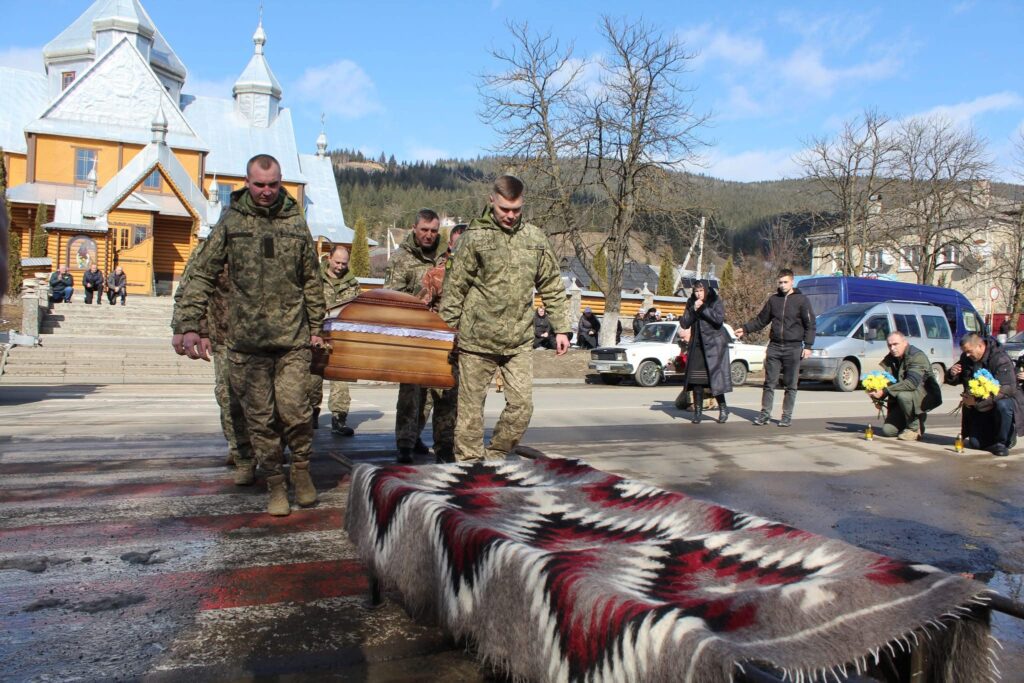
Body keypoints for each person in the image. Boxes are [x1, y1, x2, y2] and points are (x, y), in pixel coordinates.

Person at [173, 153, 325, 516]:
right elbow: (202, 274)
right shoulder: (232, 222)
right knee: (260, 420)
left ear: (281, 181)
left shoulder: (295, 222)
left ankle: (301, 470)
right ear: (246, 182)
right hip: (246, 343)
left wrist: (318, 327)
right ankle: (274, 483)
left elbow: (311, 280)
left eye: (273, 185)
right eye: (259, 185)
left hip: (292, 340)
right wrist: (189, 323)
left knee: (296, 412)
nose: (267, 192)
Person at [439, 175, 570, 462]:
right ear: (492, 202)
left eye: (516, 210)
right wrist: (445, 332)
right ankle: (469, 467)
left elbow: (551, 282)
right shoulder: (474, 238)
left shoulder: (534, 238)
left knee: (522, 406)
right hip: (477, 339)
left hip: (519, 340)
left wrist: (562, 328)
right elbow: (454, 288)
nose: (510, 216)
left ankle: (497, 453)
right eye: (504, 210)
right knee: (471, 411)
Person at [172, 242, 253, 474]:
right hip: (224, 335)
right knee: (228, 394)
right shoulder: (209, 248)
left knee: (263, 395)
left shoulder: (268, 240)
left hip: (263, 337)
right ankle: (240, 449)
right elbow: (188, 290)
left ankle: (258, 447)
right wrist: (191, 329)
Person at [385, 209, 444, 463]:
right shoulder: (401, 259)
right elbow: (392, 297)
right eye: (424, 230)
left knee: (431, 393)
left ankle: (417, 434)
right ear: (414, 228)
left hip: (439, 334)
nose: (429, 235)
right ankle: (404, 443)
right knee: (410, 392)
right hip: (411, 334)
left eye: (433, 231)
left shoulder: (445, 258)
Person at [736, 269, 815, 427]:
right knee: (769, 382)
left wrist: (808, 345)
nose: (783, 285)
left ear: (792, 282)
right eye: (780, 282)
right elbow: (761, 320)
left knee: (790, 384)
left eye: (785, 282)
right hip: (775, 346)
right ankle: (765, 414)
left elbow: (810, 324)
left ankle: (786, 415)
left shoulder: (802, 300)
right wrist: (745, 329)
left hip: (793, 347)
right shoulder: (774, 300)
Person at [416, 223, 466, 463]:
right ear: (450, 245)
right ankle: (444, 449)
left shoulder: (481, 272)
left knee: (469, 402)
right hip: (443, 345)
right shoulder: (437, 273)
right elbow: (422, 307)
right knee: (444, 400)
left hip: (472, 346)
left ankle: (464, 447)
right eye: (457, 244)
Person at [310, 244, 361, 436]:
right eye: (337, 262)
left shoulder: (352, 284)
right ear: (329, 258)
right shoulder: (314, 278)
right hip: (316, 335)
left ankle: (339, 419)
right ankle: (311, 413)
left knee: (341, 380)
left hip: (340, 339)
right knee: (312, 380)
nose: (340, 266)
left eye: (344, 263)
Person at [945, 332, 1024, 457]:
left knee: (1003, 405)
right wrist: (952, 374)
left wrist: (976, 402)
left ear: (980, 346)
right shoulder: (967, 358)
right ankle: (992, 436)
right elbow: (958, 378)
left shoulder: (1000, 359)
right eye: (965, 351)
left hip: (1000, 401)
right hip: (980, 406)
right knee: (975, 444)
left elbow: (1007, 389)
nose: (967, 354)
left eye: (969, 351)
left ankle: (1003, 441)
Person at [868, 332, 943, 440]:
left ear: (905, 343)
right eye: (889, 345)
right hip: (904, 398)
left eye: (895, 344)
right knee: (888, 431)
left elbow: (911, 383)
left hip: (924, 396)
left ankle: (914, 428)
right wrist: (877, 395)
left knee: (904, 396)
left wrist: (884, 392)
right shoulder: (892, 359)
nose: (892, 348)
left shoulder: (917, 356)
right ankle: (910, 420)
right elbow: (890, 381)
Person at [679, 280, 732, 424]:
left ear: (706, 291)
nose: (698, 294)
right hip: (697, 344)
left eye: (701, 291)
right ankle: (697, 412)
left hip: (714, 346)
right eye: (696, 291)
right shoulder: (691, 302)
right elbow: (684, 323)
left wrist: (702, 308)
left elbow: (718, 320)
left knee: (715, 381)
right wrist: (692, 310)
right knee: (697, 381)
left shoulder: (715, 301)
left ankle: (723, 408)